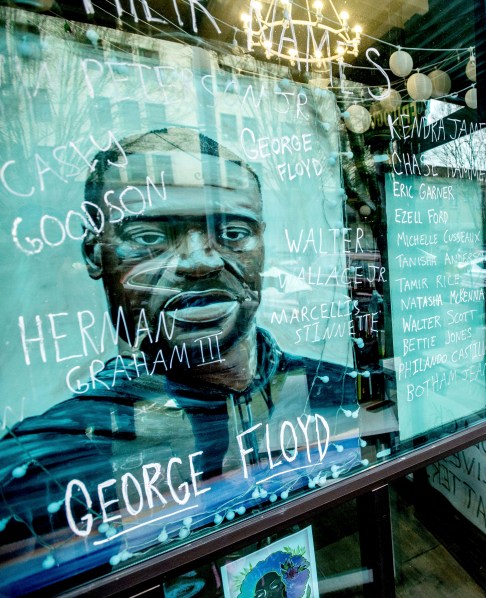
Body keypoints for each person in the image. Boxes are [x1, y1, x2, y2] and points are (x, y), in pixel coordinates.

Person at [0, 129, 360, 586]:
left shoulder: (336, 389)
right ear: (95, 251)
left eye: (232, 232)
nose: (199, 261)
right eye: (149, 236)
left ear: (262, 242)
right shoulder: (37, 467)